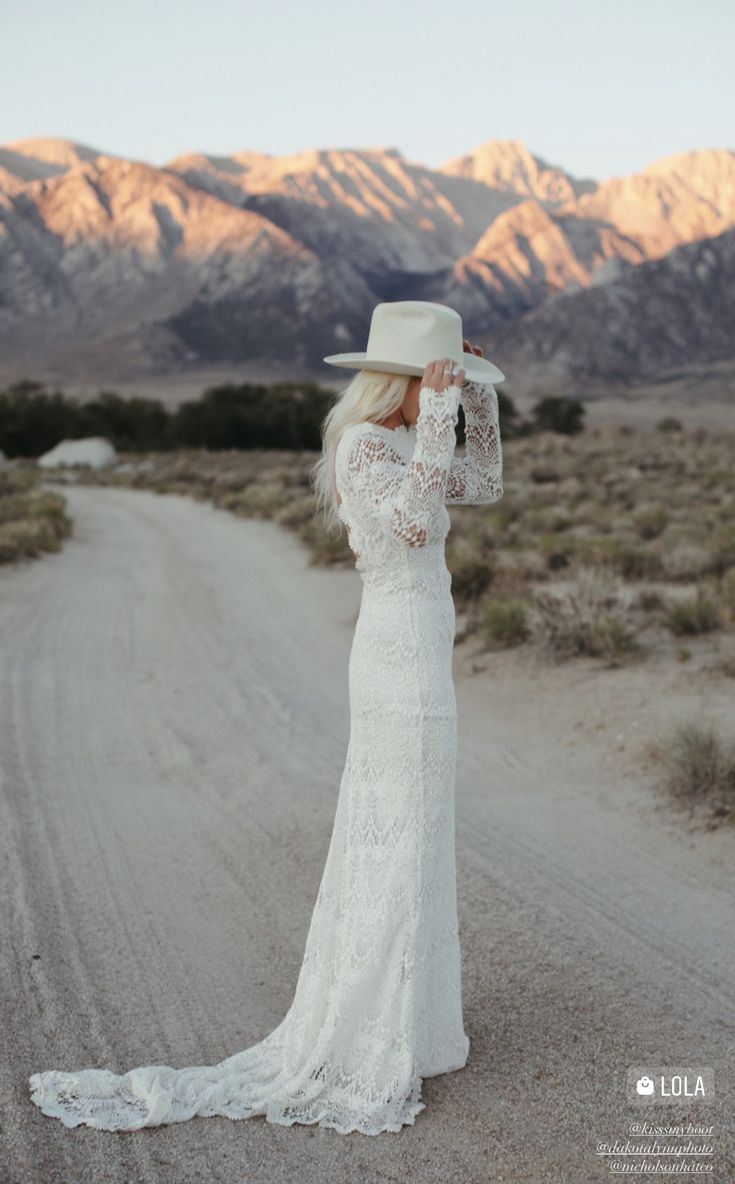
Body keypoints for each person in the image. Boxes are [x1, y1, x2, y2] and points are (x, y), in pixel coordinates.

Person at [28, 300, 505, 1137]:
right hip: (394, 656)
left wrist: (474, 403)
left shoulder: (407, 439)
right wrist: (434, 419)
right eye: (434, 379)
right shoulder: (365, 446)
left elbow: (485, 486)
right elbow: (411, 521)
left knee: (423, 828)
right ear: (398, 383)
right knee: (393, 826)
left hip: (427, 646)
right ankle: (363, 1024)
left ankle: (413, 1022)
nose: (442, 390)